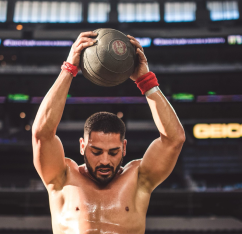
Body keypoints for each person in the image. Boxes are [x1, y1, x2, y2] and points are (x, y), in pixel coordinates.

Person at [32, 31, 186, 234]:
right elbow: (42, 133)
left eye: (113, 152)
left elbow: (174, 139)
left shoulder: (138, 179)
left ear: (124, 148)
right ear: (82, 146)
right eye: (96, 152)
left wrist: (146, 81)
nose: (105, 161)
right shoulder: (62, 177)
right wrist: (68, 69)